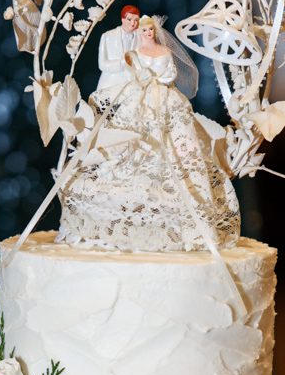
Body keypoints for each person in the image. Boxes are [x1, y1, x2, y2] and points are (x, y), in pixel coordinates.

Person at [59, 15, 240, 253]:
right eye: (143, 31)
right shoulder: (134, 50)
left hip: (164, 98)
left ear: (154, 31)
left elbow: (170, 72)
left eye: (149, 30)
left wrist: (158, 79)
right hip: (139, 98)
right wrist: (141, 78)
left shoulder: (164, 51)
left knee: (176, 143)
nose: (147, 34)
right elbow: (127, 71)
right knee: (129, 140)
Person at [93, 4, 140, 108]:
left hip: (132, 86)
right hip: (110, 83)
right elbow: (102, 64)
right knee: (105, 117)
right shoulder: (108, 36)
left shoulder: (141, 37)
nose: (133, 23)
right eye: (129, 19)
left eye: (136, 20)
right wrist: (122, 63)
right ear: (122, 19)